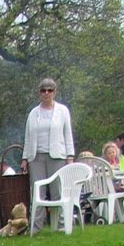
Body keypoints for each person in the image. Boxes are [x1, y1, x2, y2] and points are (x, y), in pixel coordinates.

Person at [21, 79, 75, 229]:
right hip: (36, 156)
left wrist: (70, 156)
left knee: (57, 191)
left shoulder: (62, 111)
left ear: (54, 92)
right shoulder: (33, 113)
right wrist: (25, 158)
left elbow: (67, 134)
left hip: (57, 156)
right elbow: (27, 137)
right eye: (43, 90)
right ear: (39, 93)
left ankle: (61, 226)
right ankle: (35, 227)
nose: (46, 93)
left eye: (50, 90)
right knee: (38, 192)